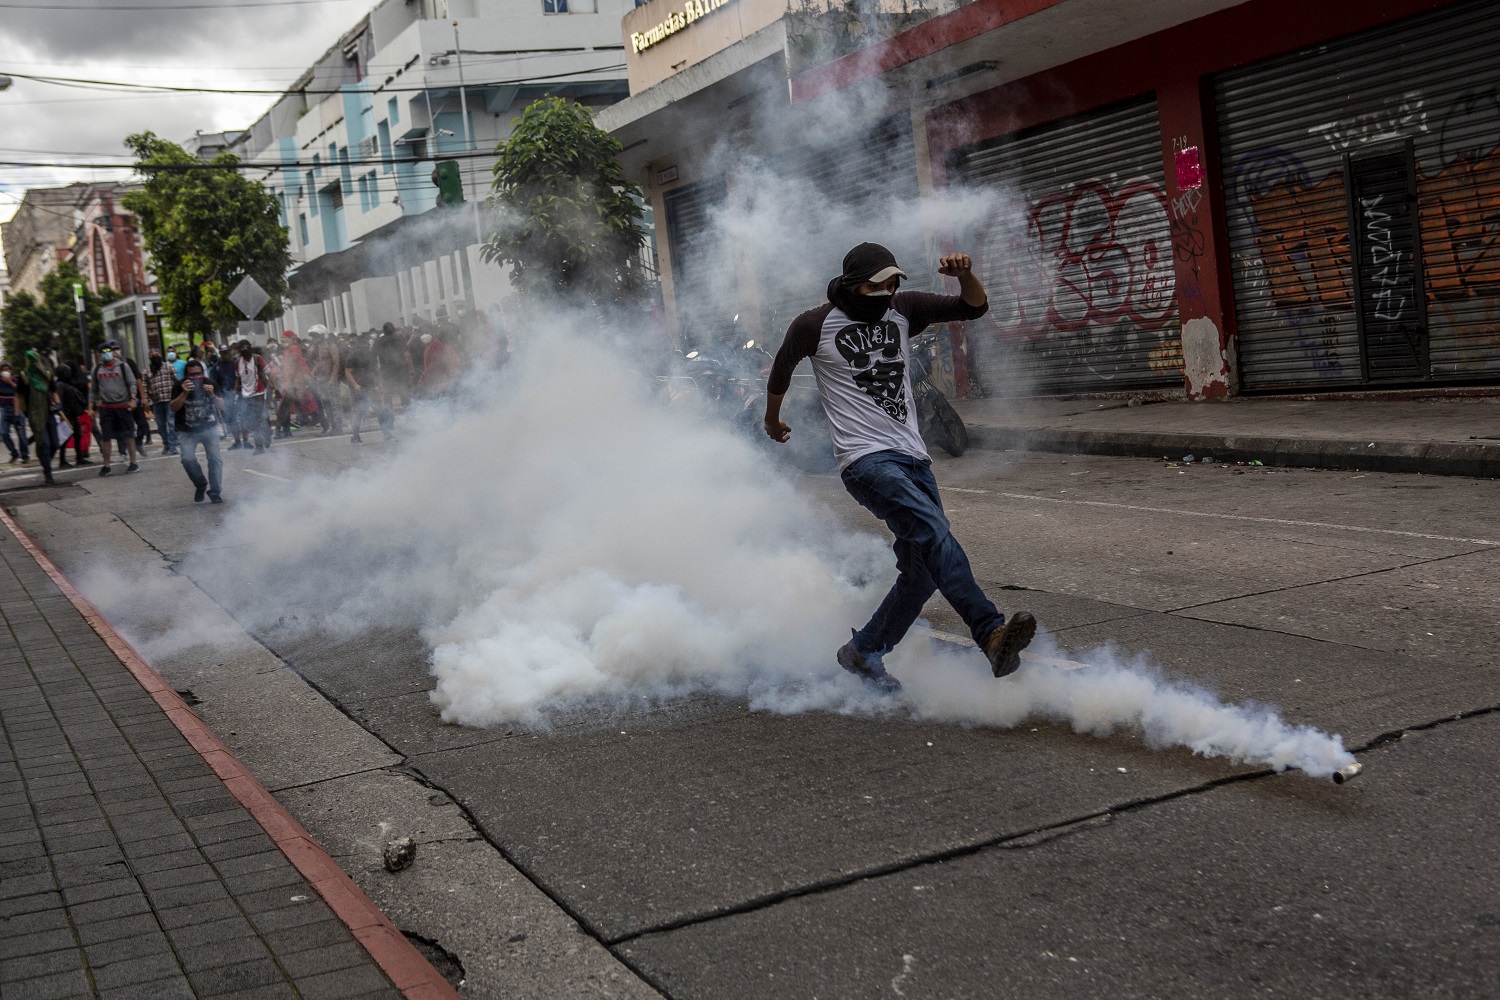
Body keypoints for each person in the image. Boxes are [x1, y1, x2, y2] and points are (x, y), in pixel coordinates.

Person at [763, 243, 1036, 692]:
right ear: (853, 285)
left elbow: (974, 307)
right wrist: (773, 421)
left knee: (924, 570)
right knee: (933, 533)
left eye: (892, 283)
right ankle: (990, 633)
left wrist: (964, 275)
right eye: (876, 284)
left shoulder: (903, 308)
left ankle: (863, 652)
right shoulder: (813, 324)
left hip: (913, 457)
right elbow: (781, 369)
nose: (886, 292)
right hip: (864, 460)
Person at [170, 359, 223, 503]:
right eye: (191, 375)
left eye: (198, 374)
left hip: (209, 427)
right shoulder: (179, 385)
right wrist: (184, 393)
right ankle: (200, 484)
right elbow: (173, 407)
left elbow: (222, 405)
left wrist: (212, 395)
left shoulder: (210, 382)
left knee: (215, 459)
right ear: (186, 376)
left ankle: (215, 491)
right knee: (187, 459)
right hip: (187, 430)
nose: (195, 378)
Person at [90, 341, 140, 475]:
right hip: (106, 407)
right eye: (104, 352)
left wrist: (133, 399)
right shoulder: (97, 370)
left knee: (129, 435)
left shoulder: (123, 366)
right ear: (100, 355)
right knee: (106, 437)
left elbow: (132, 383)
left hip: (123, 405)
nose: (107, 354)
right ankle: (106, 465)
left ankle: (133, 462)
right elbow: (93, 390)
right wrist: (91, 408)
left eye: (109, 351)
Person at [17, 350, 59, 485]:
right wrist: (22, 412)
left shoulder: (47, 375)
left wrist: (58, 405)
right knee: (45, 443)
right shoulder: (24, 376)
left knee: (55, 443)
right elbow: (20, 396)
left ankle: (44, 459)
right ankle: (48, 473)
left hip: (50, 412)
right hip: (35, 415)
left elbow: (53, 391)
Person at [344, 333, 393, 444]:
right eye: (365, 343)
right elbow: (348, 372)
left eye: (367, 344)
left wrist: (380, 383)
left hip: (371, 387)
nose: (367, 345)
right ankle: (355, 436)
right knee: (359, 412)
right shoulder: (353, 355)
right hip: (359, 389)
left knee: (379, 410)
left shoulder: (371, 355)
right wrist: (355, 385)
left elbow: (376, 370)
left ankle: (386, 434)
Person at [232, 340, 273, 453]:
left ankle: (262, 442)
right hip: (246, 395)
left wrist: (274, 388)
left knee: (258, 419)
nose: (245, 349)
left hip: (259, 393)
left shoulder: (258, 358)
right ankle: (262, 440)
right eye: (242, 347)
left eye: (246, 347)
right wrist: (235, 393)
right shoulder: (237, 362)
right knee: (251, 421)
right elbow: (238, 379)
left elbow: (268, 373)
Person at [147, 350, 180, 456]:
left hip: (169, 400)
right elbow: (144, 387)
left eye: (157, 355)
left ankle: (173, 445)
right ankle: (166, 445)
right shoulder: (147, 371)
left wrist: (177, 396)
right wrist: (146, 400)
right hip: (157, 402)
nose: (155, 357)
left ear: (161, 356)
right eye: (152, 356)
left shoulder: (169, 367)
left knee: (171, 423)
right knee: (161, 426)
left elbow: (176, 381)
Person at [0, 361, 26, 464]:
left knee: (21, 435)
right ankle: (14, 453)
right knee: (4, 433)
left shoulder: (16, 379)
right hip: (4, 410)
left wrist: (10, 382)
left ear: (11, 371)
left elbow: (19, 390)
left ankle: (25, 456)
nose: (6, 371)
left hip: (16, 410)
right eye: (3, 370)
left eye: (7, 369)